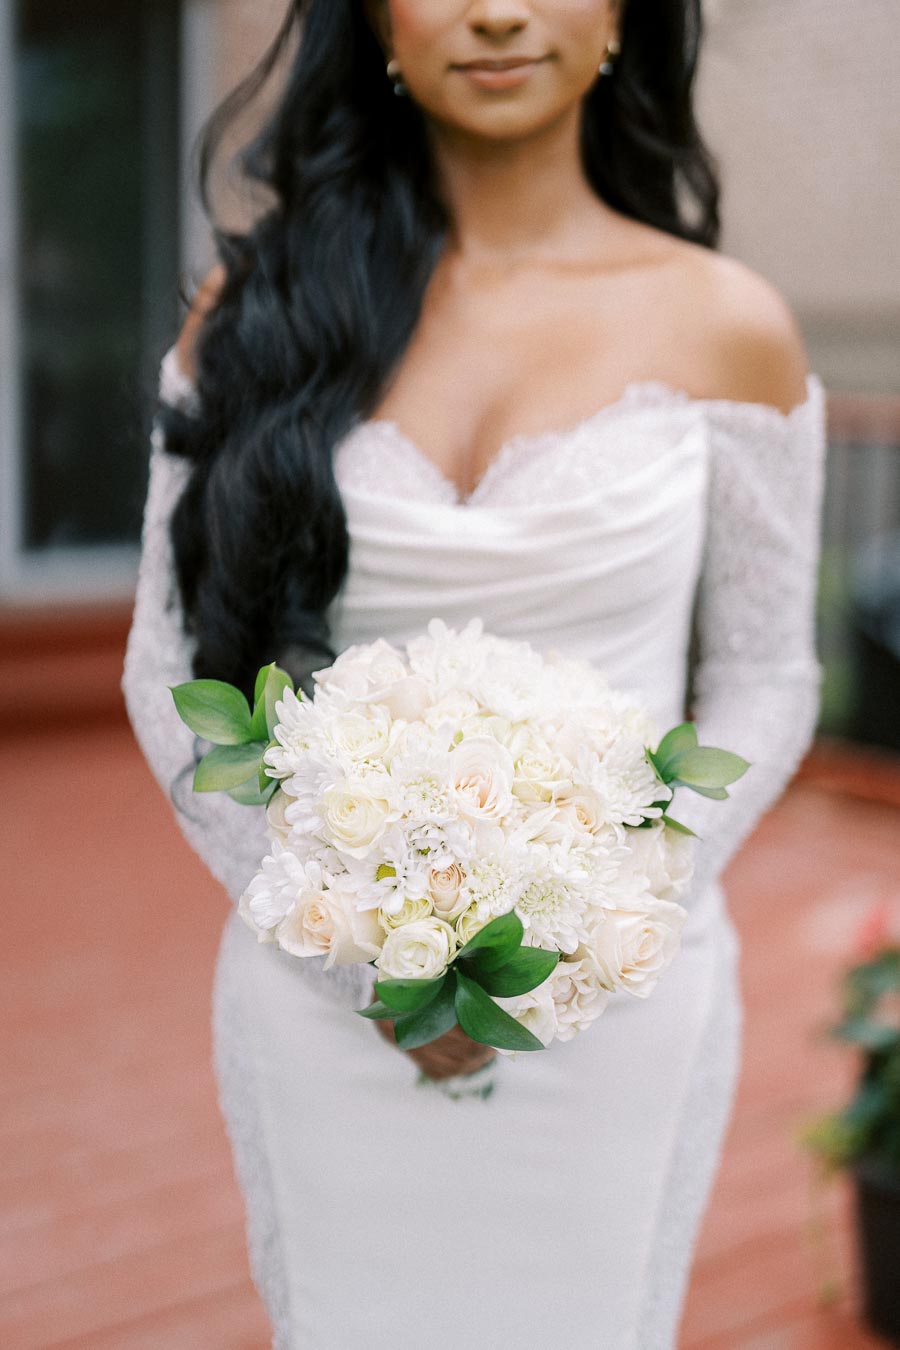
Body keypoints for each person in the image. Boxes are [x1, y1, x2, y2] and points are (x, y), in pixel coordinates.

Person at [122, 1, 828, 1345]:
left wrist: (609, 916)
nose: (498, 9)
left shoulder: (727, 322)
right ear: (374, 17)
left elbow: (766, 675)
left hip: (618, 1000)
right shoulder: (255, 314)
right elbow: (166, 670)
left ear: (623, 12)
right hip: (325, 997)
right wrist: (358, 960)